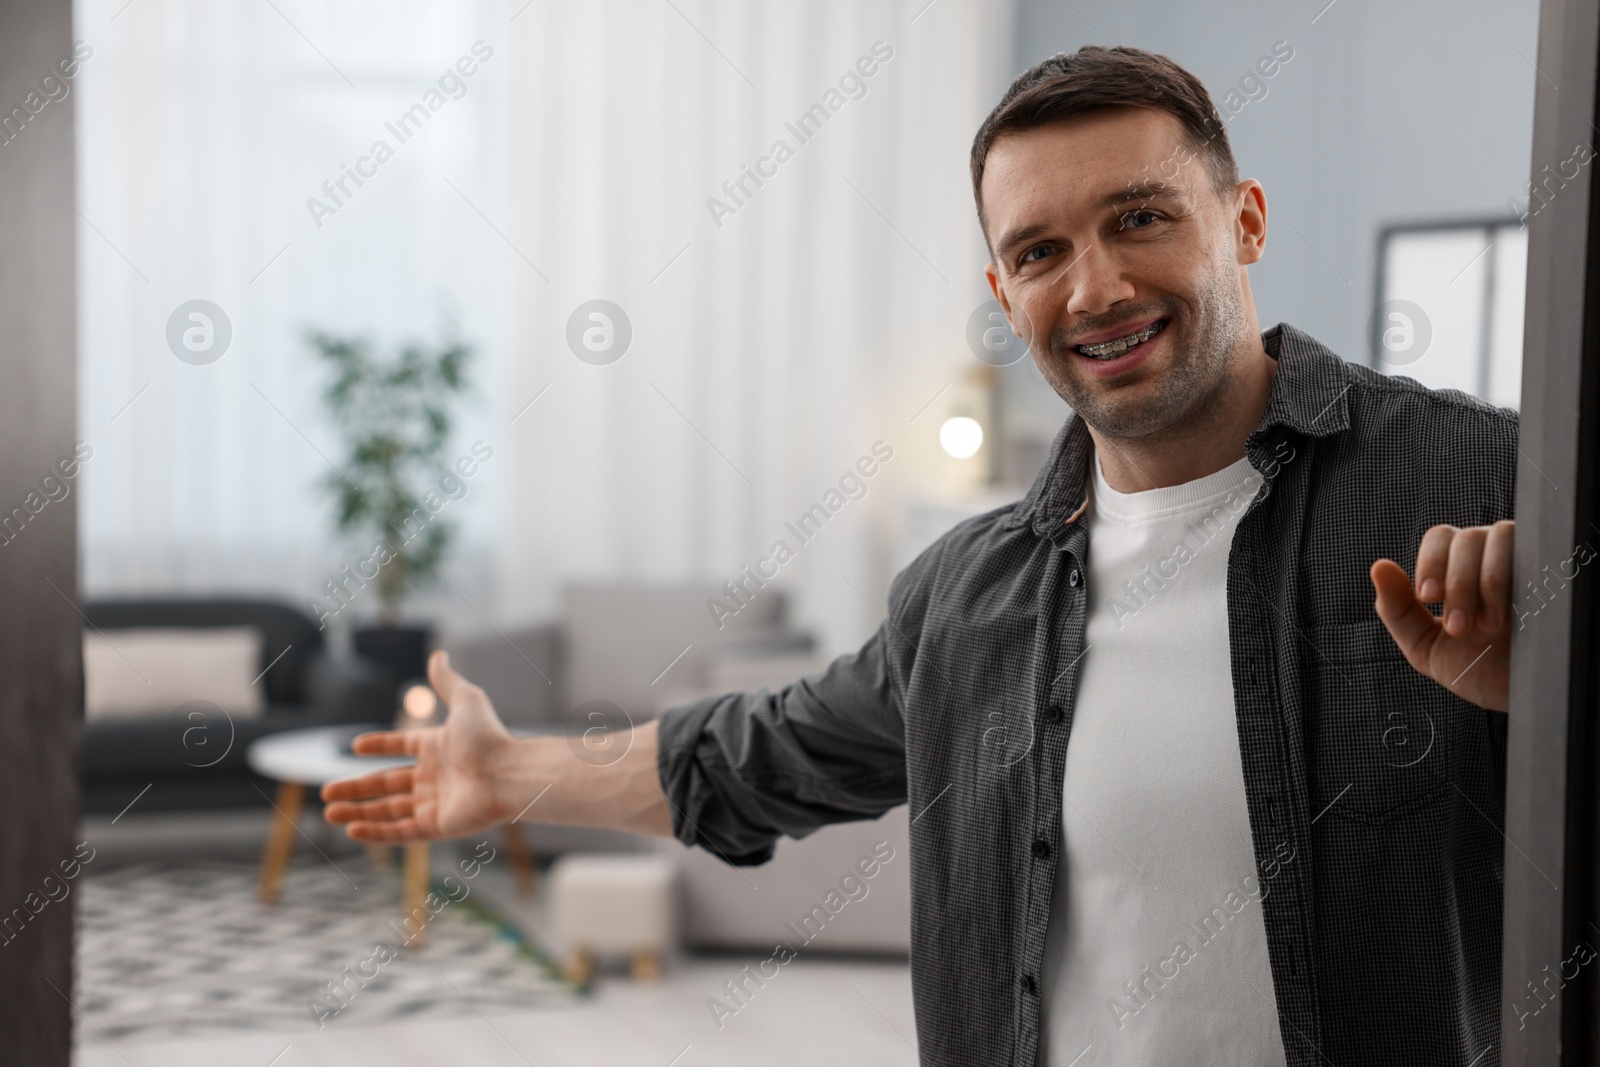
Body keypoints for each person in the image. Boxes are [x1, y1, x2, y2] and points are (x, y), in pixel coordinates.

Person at [323, 45, 1516, 1067]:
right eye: (1040, 251)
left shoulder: (1489, 484)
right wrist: (510, 771)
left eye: (1140, 217)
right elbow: (763, 753)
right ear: (1004, 290)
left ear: (1242, 219)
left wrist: (1539, 687)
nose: (1096, 287)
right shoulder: (966, 593)